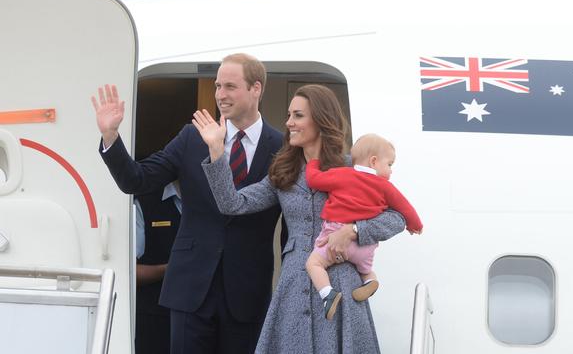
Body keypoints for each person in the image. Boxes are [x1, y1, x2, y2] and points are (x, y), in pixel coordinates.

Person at [91, 53, 284, 354]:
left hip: (248, 291)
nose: (221, 95)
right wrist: (110, 136)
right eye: (218, 86)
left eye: (230, 87)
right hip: (190, 288)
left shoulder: (282, 148)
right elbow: (137, 180)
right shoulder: (191, 138)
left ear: (256, 89)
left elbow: (292, 223)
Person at [193, 84, 407, 353]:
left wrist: (353, 230)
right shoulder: (284, 172)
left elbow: (397, 218)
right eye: (289, 115)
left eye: (298, 116)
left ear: (320, 120)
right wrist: (216, 151)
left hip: (342, 285)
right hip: (294, 286)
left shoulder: (351, 167)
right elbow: (233, 204)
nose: (289, 123)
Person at [305, 133, 423, 320]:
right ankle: (370, 281)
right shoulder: (385, 187)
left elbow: (314, 180)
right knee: (366, 270)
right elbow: (405, 207)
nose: (391, 171)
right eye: (390, 164)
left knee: (314, 263)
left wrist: (313, 162)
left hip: (333, 235)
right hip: (365, 248)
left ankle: (327, 294)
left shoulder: (342, 174)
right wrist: (415, 225)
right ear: (374, 161)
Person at [134, 182, 181, 354]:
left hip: (202, 319)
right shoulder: (145, 203)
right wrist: (170, 269)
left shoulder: (214, 202)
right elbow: (128, 272)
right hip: (153, 317)